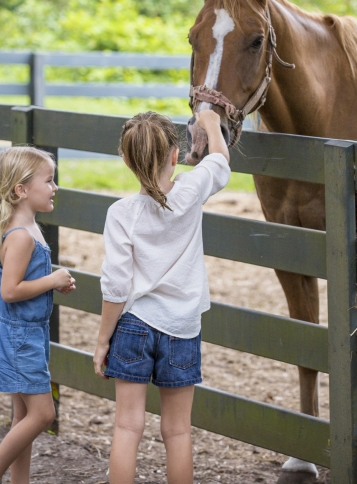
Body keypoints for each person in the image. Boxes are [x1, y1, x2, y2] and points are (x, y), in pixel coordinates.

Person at [93, 109, 230, 484]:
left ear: (125, 159)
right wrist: (212, 124)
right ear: (175, 155)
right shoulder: (190, 190)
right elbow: (220, 160)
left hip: (133, 327)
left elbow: (116, 287)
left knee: (126, 427)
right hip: (182, 328)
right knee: (178, 431)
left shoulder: (121, 214)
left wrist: (102, 340)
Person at [0, 146, 75, 484]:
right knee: (43, 415)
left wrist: (51, 283)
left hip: (25, 334)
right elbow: (10, 291)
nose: (55, 187)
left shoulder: (26, 227)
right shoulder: (21, 236)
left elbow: (20, 283)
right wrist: (53, 279)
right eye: (49, 180)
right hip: (18, 337)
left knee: (23, 417)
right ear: (21, 190)